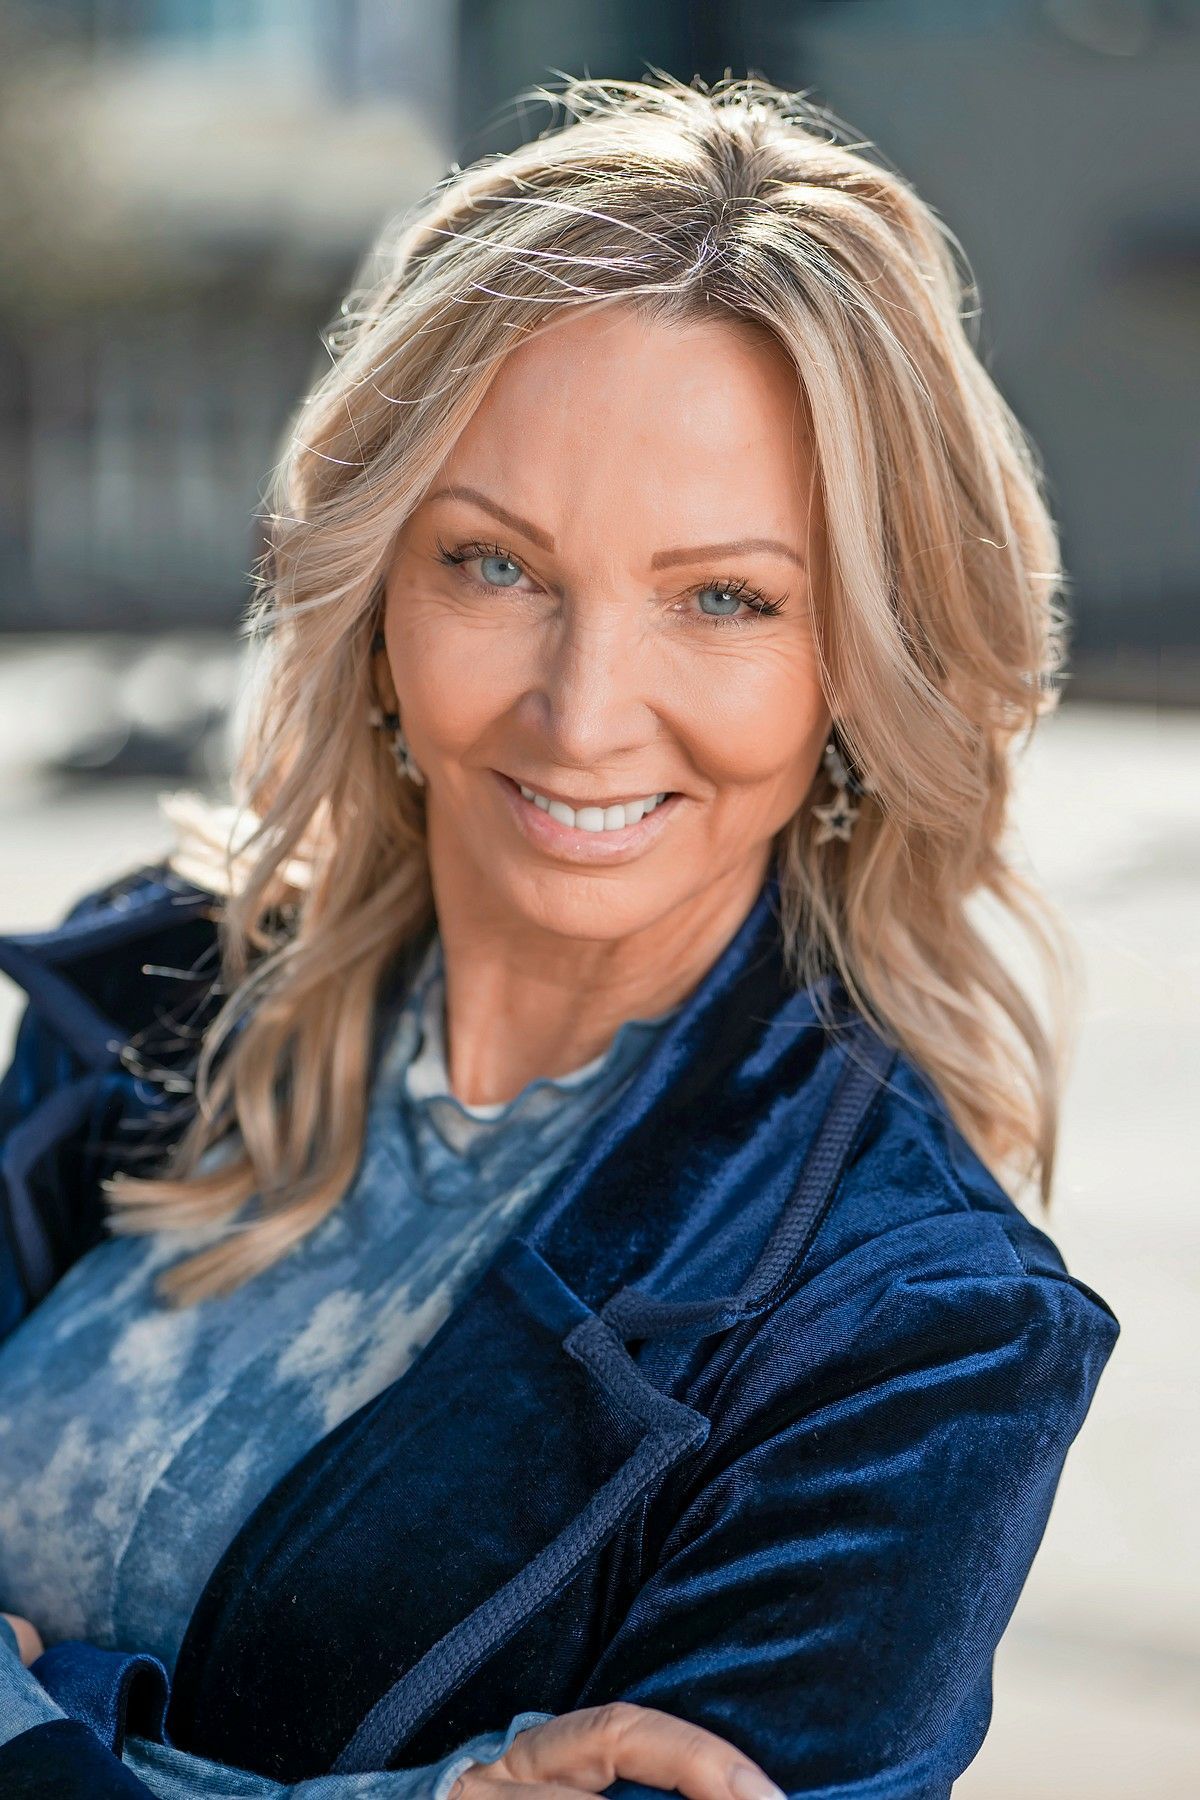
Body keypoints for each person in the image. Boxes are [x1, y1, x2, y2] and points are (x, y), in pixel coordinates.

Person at [0, 71, 1118, 1800]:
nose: (584, 714)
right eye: (496, 566)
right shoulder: (154, 991)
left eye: (725, 598)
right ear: (374, 583)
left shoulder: (917, 1335)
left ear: (863, 662)